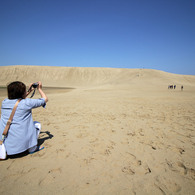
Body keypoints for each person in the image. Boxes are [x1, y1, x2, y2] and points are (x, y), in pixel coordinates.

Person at [0, 81, 48, 157]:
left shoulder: (4, 102)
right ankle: (32, 148)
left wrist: (29, 91)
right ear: (22, 92)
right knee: (37, 124)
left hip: (7, 147)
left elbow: (18, 100)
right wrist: (39, 89)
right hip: (21, 147)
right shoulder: (27, 103)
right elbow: (44, 99)